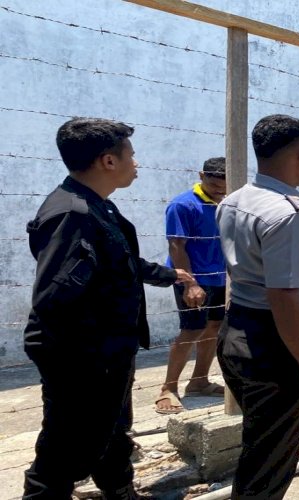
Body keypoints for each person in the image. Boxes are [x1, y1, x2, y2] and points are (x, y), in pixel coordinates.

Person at [23, 118, 199, 499]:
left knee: (112, 429)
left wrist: (167, 275)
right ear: (107, 161)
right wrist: (94, 361)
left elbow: (117, 263)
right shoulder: (73, 214)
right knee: (67, 446)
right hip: (83, 356)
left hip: (109, 350)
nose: (137, 163)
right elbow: (55, 299)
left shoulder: (97, 208)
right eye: (131, 156)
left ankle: (120, 491)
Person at [216, 114, 299, 499]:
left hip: (236, 331)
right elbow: (284, 295)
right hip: (274, 344)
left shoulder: (234, 200)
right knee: (269, 466)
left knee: (260, 447)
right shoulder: (290, 213)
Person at [155, 157, 228, 414]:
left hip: (220, 277)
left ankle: (199, 382)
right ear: (201, 175)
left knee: (214, 327)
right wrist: (190, 283)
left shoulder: (228, 203)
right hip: (192, 279)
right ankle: (169, 387)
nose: (219, 190)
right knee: (191, 330)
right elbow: (176, 245)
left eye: (224, 186)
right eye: (214, 184)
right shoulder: (183, 205)